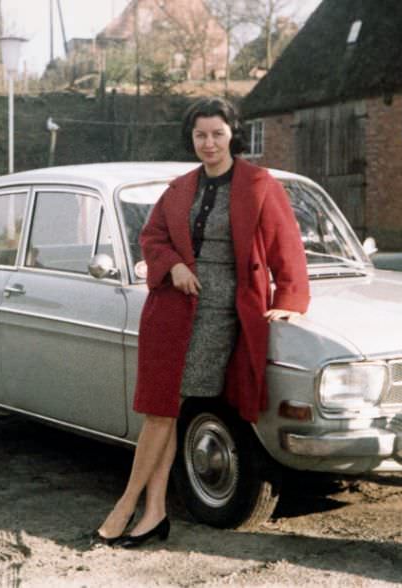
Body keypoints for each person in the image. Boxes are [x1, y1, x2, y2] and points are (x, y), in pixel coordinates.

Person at [93, 97, 310, 548]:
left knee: (163, 411)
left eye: (217, 134)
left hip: (218, 314)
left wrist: (290, 299)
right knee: (161, 409)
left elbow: (287, 245)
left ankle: (127, 504)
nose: (208, 143)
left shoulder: (259, 184)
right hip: (169, 309)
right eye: (200, 135)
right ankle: (153, 512)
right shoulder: (180, 187)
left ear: (233, 134)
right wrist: (172, 264)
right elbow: (151, 236)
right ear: (190, 138)